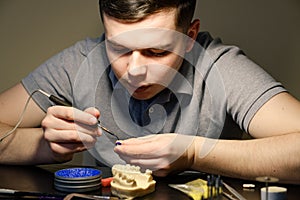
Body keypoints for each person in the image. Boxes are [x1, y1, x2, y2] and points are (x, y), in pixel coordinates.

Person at [0, 0, 299, 184]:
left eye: (156, 51)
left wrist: (194, 154)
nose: (134, 70)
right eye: (117, 49)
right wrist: (43, 146)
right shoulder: (79, 63)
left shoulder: (220, 68)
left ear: (189, 37)